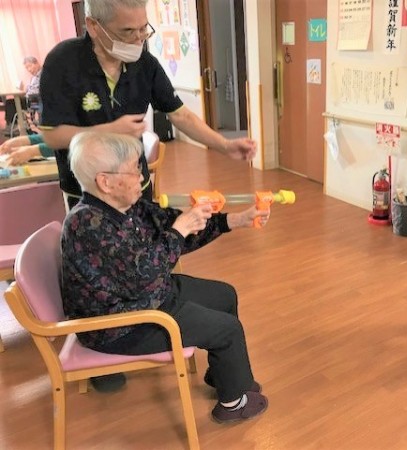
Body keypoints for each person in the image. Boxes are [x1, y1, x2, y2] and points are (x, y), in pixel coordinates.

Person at [61, 131, 269, 423]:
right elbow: (142, 276)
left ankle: (225, 375)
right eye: (134, 171)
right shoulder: (86, 225)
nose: (141, 177)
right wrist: (179, 229)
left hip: (148, 296)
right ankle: (233, 404)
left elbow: (174, 231)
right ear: (105, 182)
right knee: (227, 329)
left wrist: (235, 220)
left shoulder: (129, 206)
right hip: (119, 323)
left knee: (224, 296)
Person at [39, 0, 256, 210]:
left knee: (144, 235)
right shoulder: (63, 63)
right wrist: (109, 131)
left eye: (143, 29)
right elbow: (52, 136)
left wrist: (224, 145)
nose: (138, 40)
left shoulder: (145, 64)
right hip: (86, 193)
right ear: (94, 26)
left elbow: (181, 115)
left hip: (135, 186)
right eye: (127, 31)